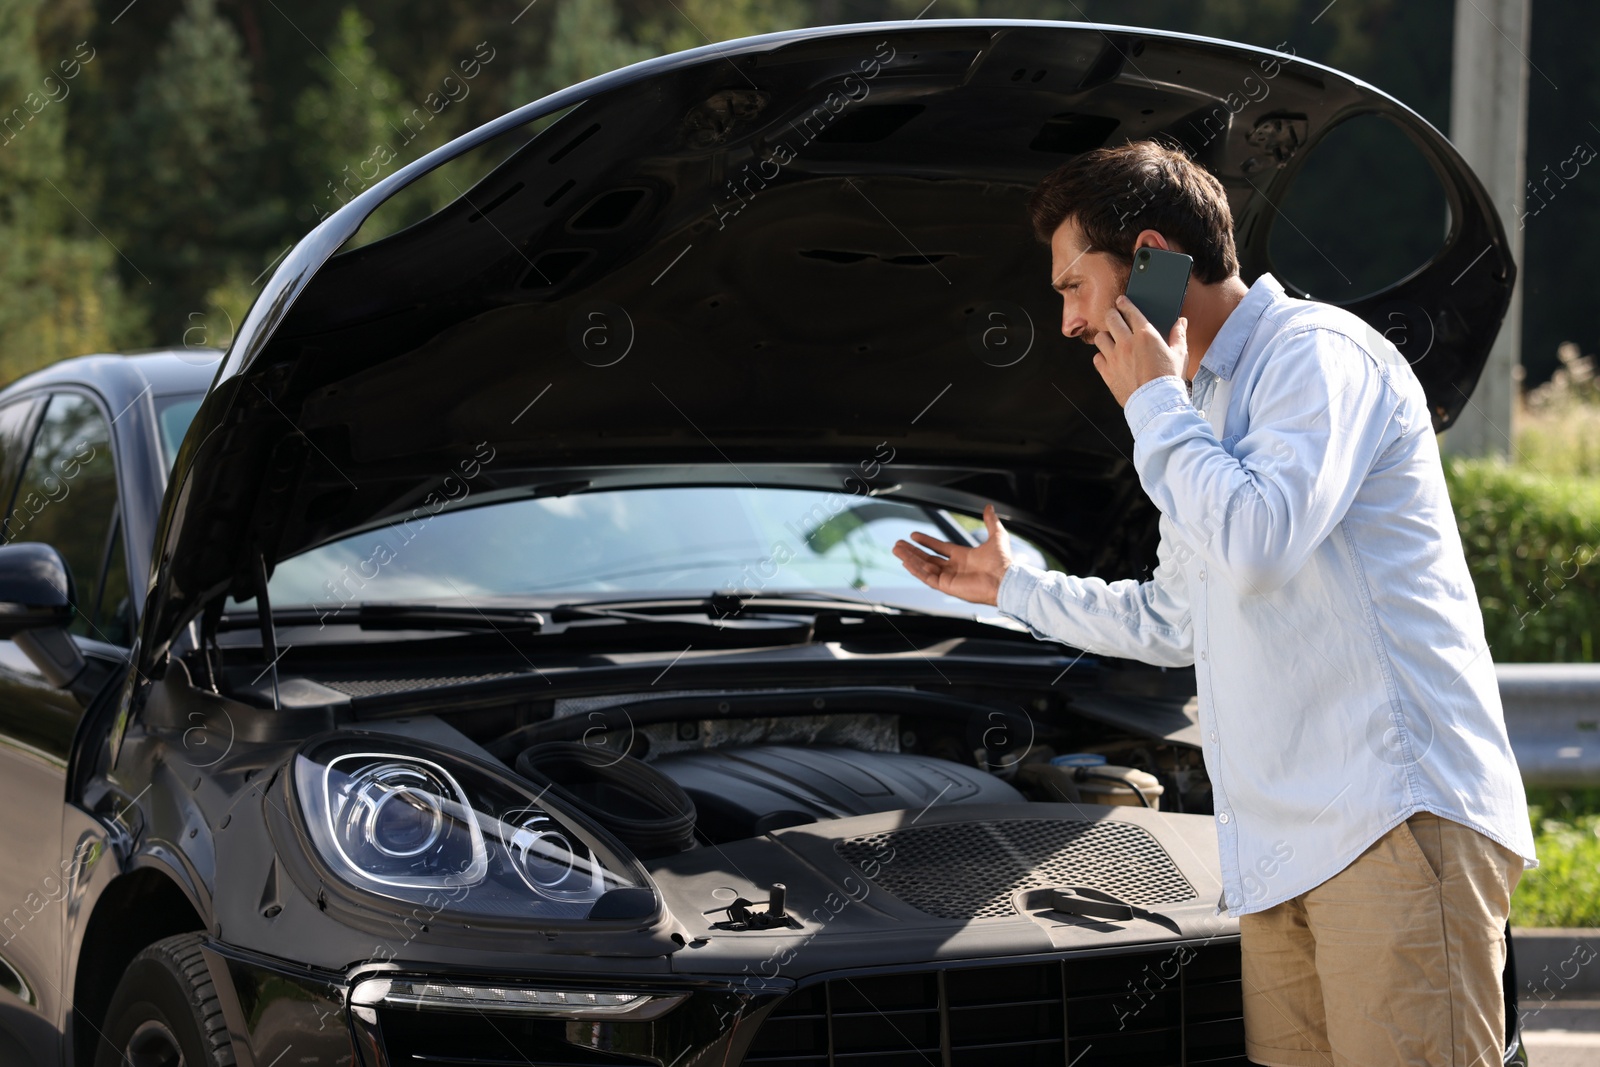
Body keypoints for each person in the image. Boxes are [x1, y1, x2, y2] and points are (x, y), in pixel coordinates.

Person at [891, 139, 1538, 1067]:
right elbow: (1178, 617)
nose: (1068, 320)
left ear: (1152, 258)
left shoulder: (1314, 358)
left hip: (1393, 823)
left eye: (1074, 284)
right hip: (1282, 856)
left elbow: (1260, 542)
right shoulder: (1198, 401)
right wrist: (1012, 586)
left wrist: (1156, 403)